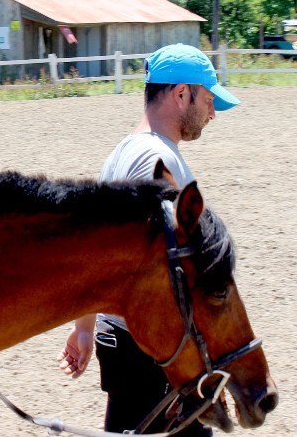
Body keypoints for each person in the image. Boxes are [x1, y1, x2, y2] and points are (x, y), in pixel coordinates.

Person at [60, 43, 241, 436]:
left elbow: (96, 250)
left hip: (128, 341)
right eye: (209, 99)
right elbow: (161, 268)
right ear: (181, 94)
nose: (212, 113)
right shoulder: (154, 160)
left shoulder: (124, 153)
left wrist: (86, 326)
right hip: (149, 348)